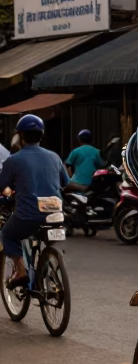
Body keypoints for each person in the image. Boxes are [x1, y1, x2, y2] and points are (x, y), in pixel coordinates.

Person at [0, 114, 68, 287]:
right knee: (42, 235)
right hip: (56, 213)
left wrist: (7, 196)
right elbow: (65, 183)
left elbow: (2, 186)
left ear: (20, 135)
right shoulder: (54, 157)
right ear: (42, 134)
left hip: (28, 215)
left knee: (7, 234)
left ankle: (21, 271)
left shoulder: (13, 159)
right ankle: (46, 265)